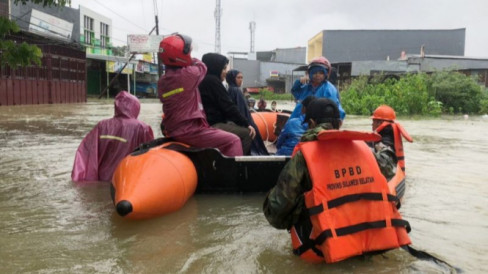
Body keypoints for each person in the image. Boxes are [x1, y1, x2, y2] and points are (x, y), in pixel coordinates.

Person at [263, 98, 410, 263]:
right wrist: (387, 138)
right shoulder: (364, 150)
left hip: (323, 249)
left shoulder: (303, 158)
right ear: (339, 123)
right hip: (368, 243)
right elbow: (389, 164)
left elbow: (277, 209)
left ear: (311, 123)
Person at [157, 34, 243, 156]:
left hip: (172, 128)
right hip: (190, 130)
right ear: (182, 56)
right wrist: (189, 60)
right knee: (233, 140)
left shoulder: (162, 82)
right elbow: (202, 66)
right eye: (188, 52)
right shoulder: (189, 75)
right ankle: (234, 174)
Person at [71, 90, 154, 182]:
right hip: (125, 182)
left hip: (101, 180)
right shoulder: (142, 128)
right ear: (136, 108)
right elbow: (149, 158)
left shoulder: (102, 126)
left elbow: (86, 153)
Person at [199, 53, 256, 155]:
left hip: (208, 122)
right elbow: (229, 107)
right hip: (213, 124)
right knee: (247, 134)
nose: (225, 72)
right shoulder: (213, 81)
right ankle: (237, 165)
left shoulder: (204, 80)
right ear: (216, 67)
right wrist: (246, 124)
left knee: (233, 125)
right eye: (224, 68)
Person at [226, 69, 268, 155]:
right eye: (238, 77)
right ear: (232, 78)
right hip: (244, 121)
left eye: (242, 77)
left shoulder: (229, 89)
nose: (241, 80)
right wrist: (247, 123)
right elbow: (241, 110)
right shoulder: (236, 91)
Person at [290, 56, 346, 121]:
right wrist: (299, 82)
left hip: (317, 122)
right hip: (299, 121)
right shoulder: (306, 87)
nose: (317, 75)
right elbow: (295, 91)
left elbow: (332, 110)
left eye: (321, 73)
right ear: (309, 74)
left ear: (326, 74)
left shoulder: (329, 89)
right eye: (314, 72)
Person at [371, 105, 413, 173]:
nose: (372, 124)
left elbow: (385, 162)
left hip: (391, 172)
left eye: (373, 121)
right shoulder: (387, 134)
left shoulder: (386, 138)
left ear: (380, 123)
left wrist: (367, 153)